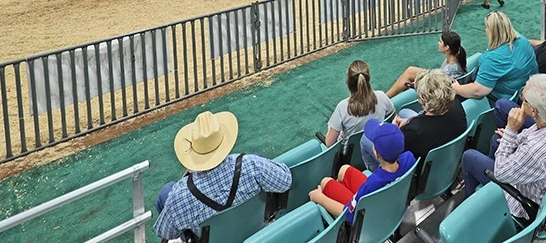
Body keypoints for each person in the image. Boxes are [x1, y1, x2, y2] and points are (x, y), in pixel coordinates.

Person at [459, 74, 546, 217]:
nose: (521, 100)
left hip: (528, 202)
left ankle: (469, 211)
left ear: (533, 110)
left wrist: (511, 130)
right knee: (497, 139)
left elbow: (501, 173)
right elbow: (536, 134)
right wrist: (511, 138)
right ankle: (486, 188)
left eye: (524, 99)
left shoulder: (535, 152)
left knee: (469, 157)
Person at [154, 111, 292, 242]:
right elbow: (286, 180)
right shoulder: (251, 164)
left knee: (166, 192)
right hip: (253, 232)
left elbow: (166, 233)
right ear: (223, 141)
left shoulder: (179, 196)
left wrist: (186, 178)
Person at [310, 119, 416, 223]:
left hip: (371, 216)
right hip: (390, 200)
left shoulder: (370, 185)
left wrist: (319, 198)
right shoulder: (409, 158)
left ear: (376, 153)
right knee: (344, 169)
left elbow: (349, 215)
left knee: (325, 182)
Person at [453, 12, 537, 102]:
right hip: (528, 89)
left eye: (486, 27)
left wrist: (457, 89)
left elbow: (479, 90)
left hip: (509, 98)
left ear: (491, 31)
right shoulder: (521, 39)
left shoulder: (491, 59)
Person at [391, 70, 468, 164]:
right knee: (404, 112)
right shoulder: (456, 105)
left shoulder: (413, 132)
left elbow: (394, 153)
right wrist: (409, 121)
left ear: (423, 100)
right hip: (450, 158)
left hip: (425, 168)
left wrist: (394, 133)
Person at [325, 60, 395, 154]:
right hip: (377, 150)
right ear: (368, 79)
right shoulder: (382, 96)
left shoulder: (342, 107)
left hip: (351, 159)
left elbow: (329, 143)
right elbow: (395, 118)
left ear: (348, 81)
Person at [385, 31, 467, 98]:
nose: (438, 43)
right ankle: (387, 97)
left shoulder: (450, 69)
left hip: (437, 88)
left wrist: (418, 83)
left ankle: (386, 97)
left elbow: (438, 83)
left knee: (409, 76)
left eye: (440, 42)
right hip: (439, 78)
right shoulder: (454, 59)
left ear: (447, 47)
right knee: (410, 71)